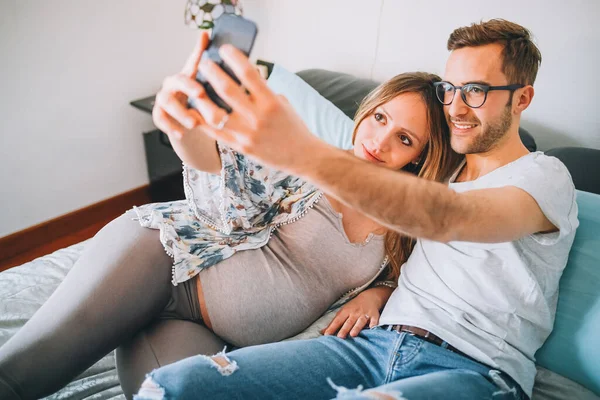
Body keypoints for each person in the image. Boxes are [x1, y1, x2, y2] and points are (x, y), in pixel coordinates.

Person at [0, 30, 461, 399]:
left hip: (195, 331)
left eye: (404, 138)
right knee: (21, 376)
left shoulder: (408, 225)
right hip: (161, 261)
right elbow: (227, 182)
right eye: (380, 118)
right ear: (366, 111)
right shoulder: (309, 160)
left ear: (421, 157)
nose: (380, 142)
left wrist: (378, 293)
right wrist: (184, 127)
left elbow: (415, 279)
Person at [133, 19, 579, 400]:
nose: (456, 107)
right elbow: (393, 236)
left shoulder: (543, 178)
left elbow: (450, 218)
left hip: (477, 369)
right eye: (450, 89)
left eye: (476, 91)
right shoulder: (429, 174)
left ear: (522, 99)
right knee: (176, 385)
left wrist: (300, 150)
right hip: (373, 347)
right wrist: (382, 292)